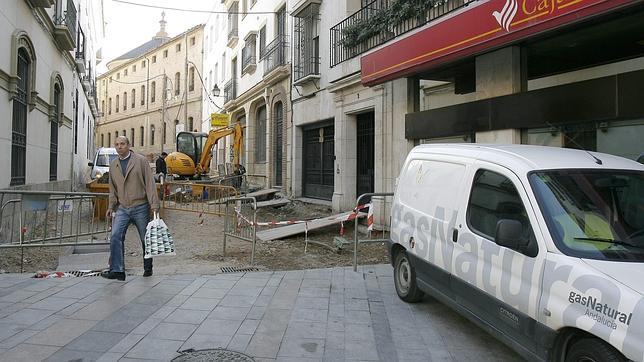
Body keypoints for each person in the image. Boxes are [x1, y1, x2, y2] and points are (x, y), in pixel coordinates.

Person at [103, 136, 160, 281]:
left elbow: (149, 184)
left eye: (122, 144)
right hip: (122, 207)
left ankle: (148, 267)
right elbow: (112, 189)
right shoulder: (114, 165)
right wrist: (111, 206)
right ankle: (117, 270)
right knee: (115, 236)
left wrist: (154, 205)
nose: (119, 147)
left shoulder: (140, 161)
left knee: (144, 238)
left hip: (140, 205)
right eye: (117, 144)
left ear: (129, 145)